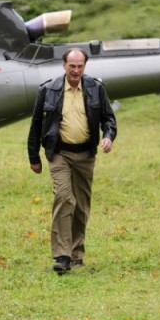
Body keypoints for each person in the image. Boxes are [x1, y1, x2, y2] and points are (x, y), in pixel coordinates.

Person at [27, 48, 117, 275]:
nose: (76, 70)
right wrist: (34, 157)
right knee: (64, 197)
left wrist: (108, 137)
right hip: (60, 153)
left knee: (81, 205)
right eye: (72, 66)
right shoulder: (49, 90)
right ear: (64, 65)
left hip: (86, 155)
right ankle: (62, 255)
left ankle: (76, 253)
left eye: (80, 66)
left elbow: (109, 119)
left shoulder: (96, 88)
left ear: (85, 66)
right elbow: (36, 124)